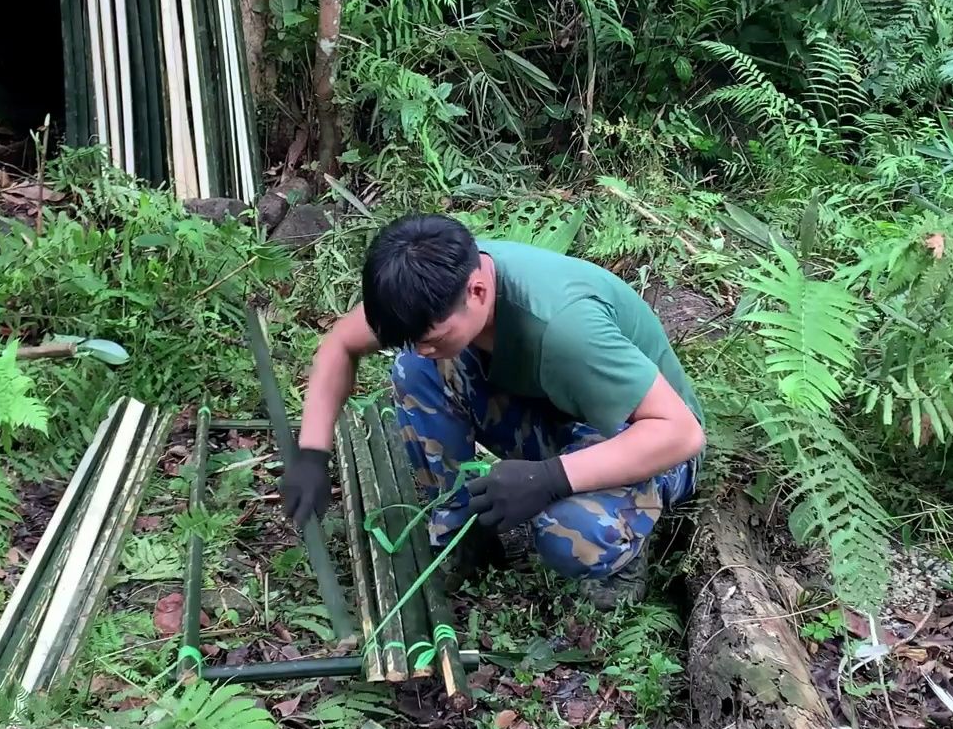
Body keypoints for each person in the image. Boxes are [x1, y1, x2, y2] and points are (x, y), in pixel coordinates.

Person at [280, 213, 705, 608]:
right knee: (416, 369)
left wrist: (549, 478)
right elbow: (341, 341)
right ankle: (465, 530)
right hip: (558, 411)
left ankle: (624, 554)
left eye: (433, 336)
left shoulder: (567, 329)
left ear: (478, 292)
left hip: (647, 441)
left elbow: (681, 433)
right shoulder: (434, 281)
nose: (422, 346)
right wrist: (313, 453)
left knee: (569, 534)